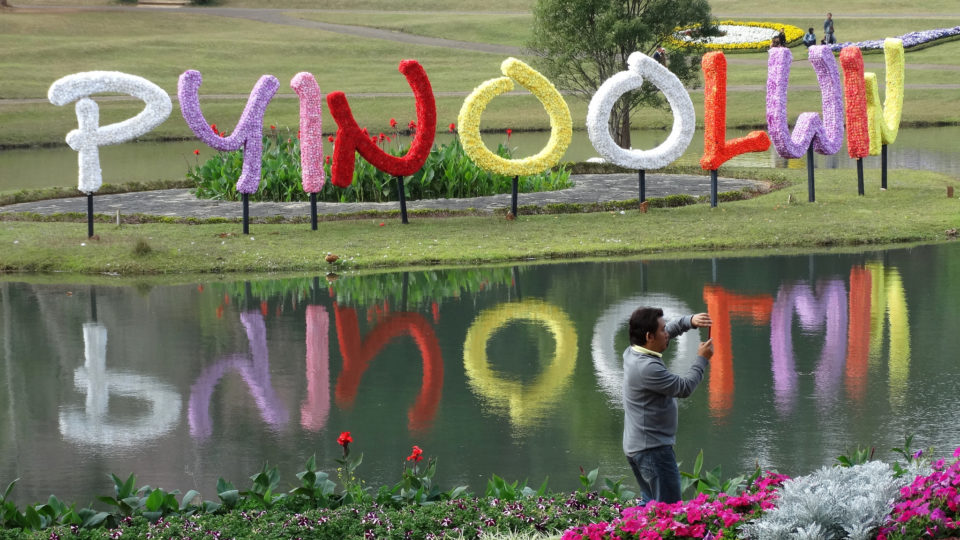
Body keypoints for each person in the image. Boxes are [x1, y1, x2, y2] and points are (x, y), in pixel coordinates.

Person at [622, 307, 713, 504]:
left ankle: (628, 532)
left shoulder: (632, 352)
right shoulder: (647, 367)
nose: (667, 333)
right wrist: (702, 359)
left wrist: (689, 321)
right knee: (669, 510)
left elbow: (668, 332)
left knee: (650, 504)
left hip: (639, 446)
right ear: (649, 336)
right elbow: (684, 387)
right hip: (653, 451)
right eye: (662, 330)